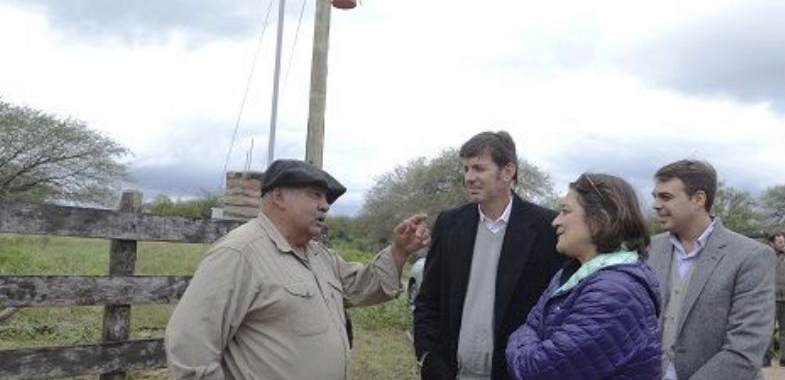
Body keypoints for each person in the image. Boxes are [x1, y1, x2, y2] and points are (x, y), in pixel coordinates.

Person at [165, 159, 430, 380]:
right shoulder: (239, 254)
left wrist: (399, 251)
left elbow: (362, 287)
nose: (325, 205)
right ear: (278, 197)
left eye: (326, 198)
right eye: (315, 194)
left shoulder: (318, 254)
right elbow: (190, 352)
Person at [413, 131, 565, 380]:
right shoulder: (450, 223)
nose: (469, 178)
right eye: (466, 169)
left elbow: (556, 311)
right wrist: (429, 360)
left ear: (507, 172)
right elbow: (428, 302)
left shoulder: (546, 227)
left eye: (479, 169)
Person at [505, 173, 661, 380]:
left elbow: (538, 370)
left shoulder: (616, 293)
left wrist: (520, 342)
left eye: (565, 211)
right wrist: (528, 339)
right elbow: (529, 327)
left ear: (599, 219)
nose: (555, 222)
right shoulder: (571, 274)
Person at [647, 159, 775, 380]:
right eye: (655, 197)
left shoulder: (751, 256)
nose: (656, 205)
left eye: (665, 197)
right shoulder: (649, 250)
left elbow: (745, 349)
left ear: (698, 199)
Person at [763, 231, 785, 368]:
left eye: (784, 241)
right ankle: (765, 358)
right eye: (780, 242)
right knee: (767, 329)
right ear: (772, 243)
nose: (783, 244)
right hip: (768, 298)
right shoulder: (764, 255)